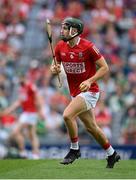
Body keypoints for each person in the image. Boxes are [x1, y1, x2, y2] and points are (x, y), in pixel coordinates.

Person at [50, 17, 121, 168]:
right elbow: (55, 64)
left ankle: (74, 149)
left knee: (67, 115)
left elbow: (104, 67)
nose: (61, 30)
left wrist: (89, 81)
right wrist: (54, 68)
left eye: (65, 28)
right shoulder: (60, 46)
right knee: (91, 128)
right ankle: (112, 154)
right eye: (62, 27)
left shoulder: (88, 46)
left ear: (74, 31)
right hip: (75, 92)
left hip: (89, 91)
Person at [2, 75, 44, 159]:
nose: (19, 81)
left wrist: (40, 111)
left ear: (23, 78)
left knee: (26, 133)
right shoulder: (21, 89)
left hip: (31, 113)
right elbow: (19, 102)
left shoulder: (30, 86)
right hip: (26, 113)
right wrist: (9, 110)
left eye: (20, 79)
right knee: (27, 134)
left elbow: (38, 98)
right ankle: (27, 153)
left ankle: (29, 153)